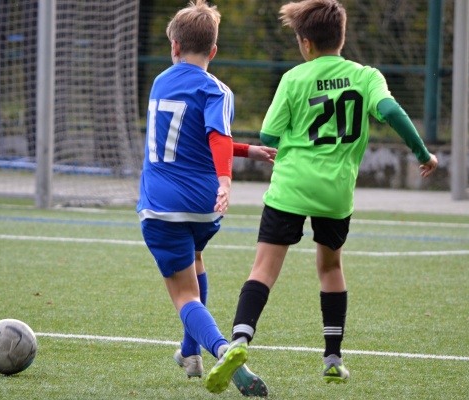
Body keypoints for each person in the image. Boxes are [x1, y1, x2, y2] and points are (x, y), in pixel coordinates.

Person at [206, 0, 439, 390]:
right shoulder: (366, 76)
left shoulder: (294, 78)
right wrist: (423, 154)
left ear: (306, 43)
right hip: (335, 193)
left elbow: (268, 136)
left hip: (291, 187)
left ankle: (240, 340)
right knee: (330, 267)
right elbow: (392, 112)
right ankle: (333, 359)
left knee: (264, 268)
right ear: (341, 37)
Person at [136, 0, 275, 396]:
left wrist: (226, 179)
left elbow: (205, 137)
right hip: (204, 208)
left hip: (162, 206)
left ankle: (222, 350)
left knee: (184, 294)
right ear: (213, 50)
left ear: (174, 46)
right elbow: (213, 136)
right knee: (195, 259)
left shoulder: (160, 82)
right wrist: (243, 155)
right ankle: (189, 354)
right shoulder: (217, 90)